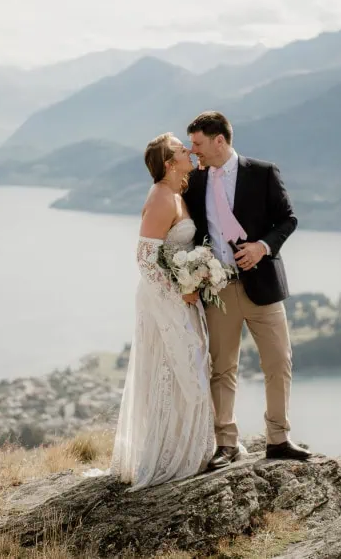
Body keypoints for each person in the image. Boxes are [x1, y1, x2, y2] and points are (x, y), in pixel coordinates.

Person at [184, 111, 311, 469]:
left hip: (263, 286)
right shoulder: (194, 181)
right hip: (219, 289)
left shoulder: (263, 173)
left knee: (278, 361)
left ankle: (279, 438)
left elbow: (288, 219)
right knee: (222, 367)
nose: (194, 151)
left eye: (198, 144)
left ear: (219, 140)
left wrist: (262, 247)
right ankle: (226, 444)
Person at [109, 133, 216, 489]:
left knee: (190, 363)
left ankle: (192, 449)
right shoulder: (160, 197)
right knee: (174, 367)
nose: (188, 151)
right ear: (169, 164)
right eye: (181, 149)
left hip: (180, 298)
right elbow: (144, 258)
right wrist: (181, 290)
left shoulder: (177, 194)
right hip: (164, 301)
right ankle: (171, 455)